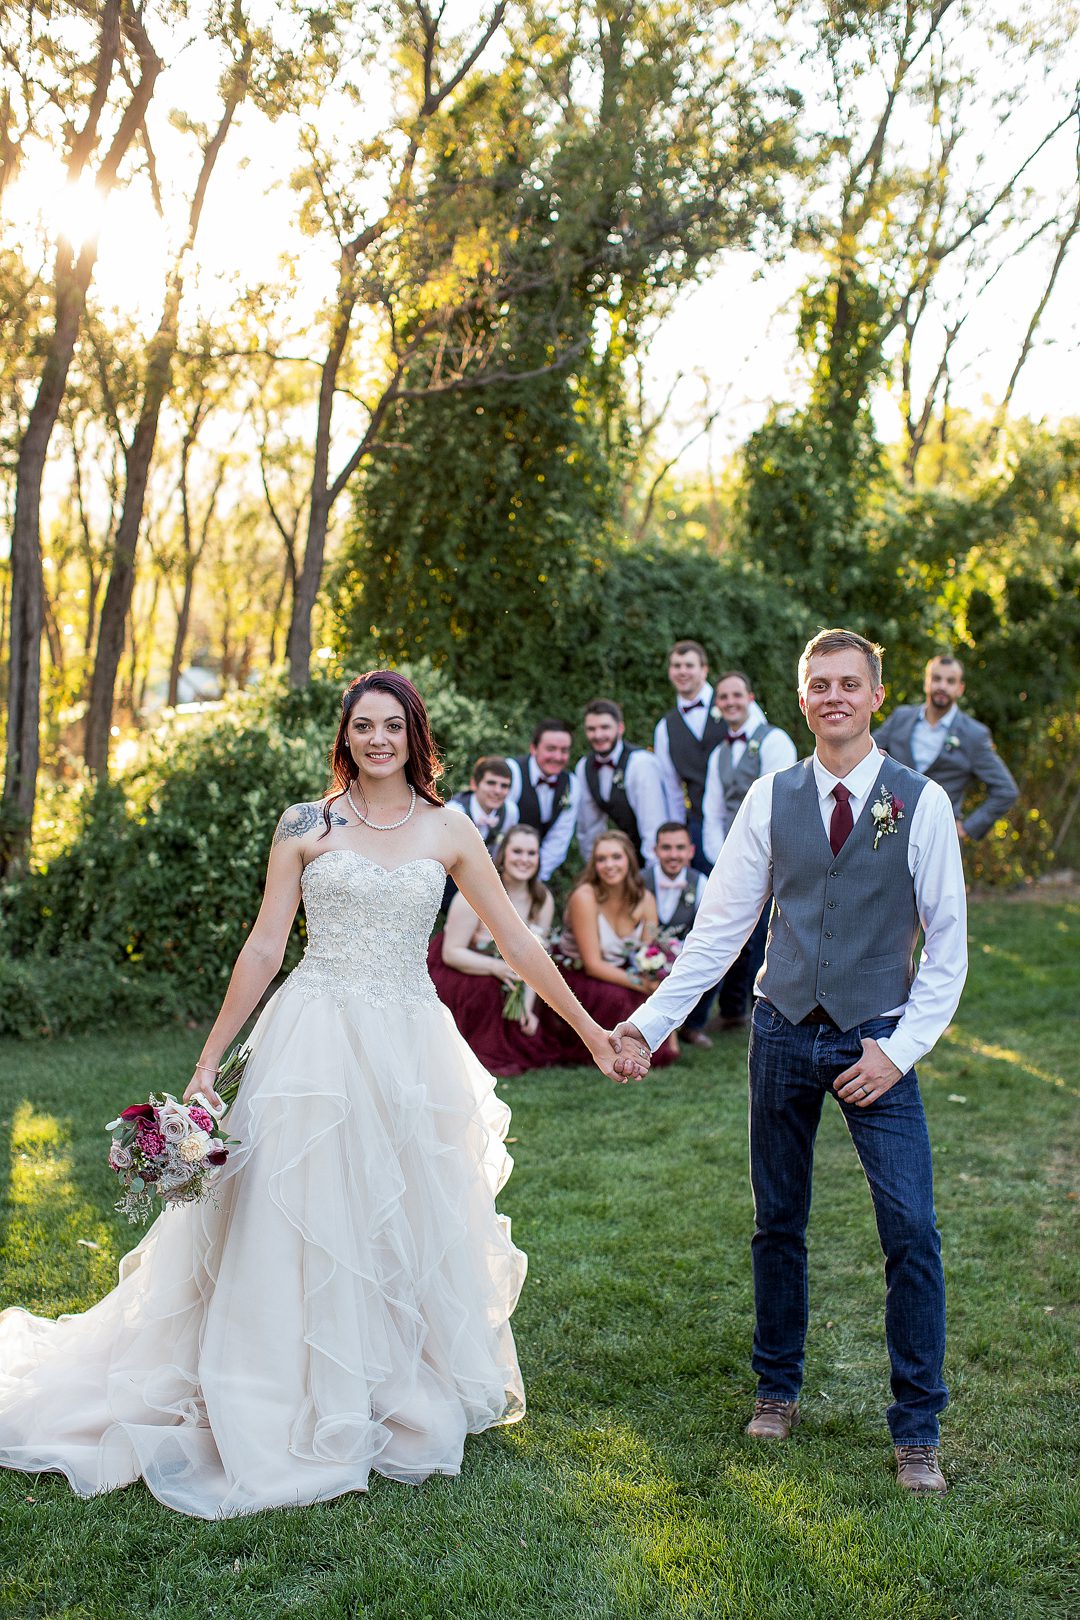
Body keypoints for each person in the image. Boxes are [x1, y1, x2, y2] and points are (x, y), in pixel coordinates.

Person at [0, 671, 645, 1519]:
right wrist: (207, 1063)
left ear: (415, 737)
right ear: (344, 735)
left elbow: (519, 943)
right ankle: (277, 1379)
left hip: (408, 1046)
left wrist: (593, 1034)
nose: (378, 740)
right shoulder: (306, 823)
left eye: (393, 726)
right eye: (363, 726)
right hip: (311, 1039)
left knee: (399, 1209)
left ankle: (382, 1380)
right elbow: (266, 947)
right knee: (295, 1205)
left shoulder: (450, 828)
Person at [613, 629, 968, 1494]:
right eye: (820, 685)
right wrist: (648, 1026)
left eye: (850, 684)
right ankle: (777, 1388)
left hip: (875, 1038)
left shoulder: (919, 802)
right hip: (779, 1031)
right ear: (802, 699)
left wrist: (897, 1053)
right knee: (777, 1221)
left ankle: (917, 1428)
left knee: (912, 1230)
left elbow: (948, 952)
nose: (834, 697)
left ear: (876, 696)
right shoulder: (771, 798)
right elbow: (719, 932)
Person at [701, 671, 798, 1029]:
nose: (730, 702)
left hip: (769, 851)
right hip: (729, 853)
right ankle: (729, 1011)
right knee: (727, 930)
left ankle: (757, 1006)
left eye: (736, 695)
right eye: (723, 697)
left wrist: (757, 859)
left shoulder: (775, 741)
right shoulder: (719, 753)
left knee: (762, 934)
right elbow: (712, 810)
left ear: (750, 698)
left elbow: (779, 804)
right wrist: (720, 860)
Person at [428, 824, 563, 1076]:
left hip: (511, 978)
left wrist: (527, 1006)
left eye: (531, 853)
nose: (524, 859)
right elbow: (451, 952)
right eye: (517, 852)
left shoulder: (542, 899)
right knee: (487, 989)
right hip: (462, 970)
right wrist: (497, 967)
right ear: (503, 855)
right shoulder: (475, 890)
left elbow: (537, 958)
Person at [545, 831, 678, 1068]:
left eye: (616, 857)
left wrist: (651, 983)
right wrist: (642, 984)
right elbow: (592, 964)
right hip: (579, 973)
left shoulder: (645, 899)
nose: (609, 865)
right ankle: (607, 1051)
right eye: (601, 859)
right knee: (617, 997)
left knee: (647, 995)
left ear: (629, 860)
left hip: (622, 970)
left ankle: (656, 1049)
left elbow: (648, 957)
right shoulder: (584, 897)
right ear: (594, 865)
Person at [874, 654, 1019, 843]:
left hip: (940, 838)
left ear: (960, 688)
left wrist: (968, 827)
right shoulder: (901, 718)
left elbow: (1006, 790)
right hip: (889, 833)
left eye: (950, 681)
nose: (942, 686)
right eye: (936, 679)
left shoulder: (973, 735)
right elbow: (865, 752)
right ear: (926, 682)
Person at [653, 640, 726, 875]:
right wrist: (678, 838)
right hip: (698, 824)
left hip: (741, 816)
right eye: (677, 666)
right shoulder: (664, 728)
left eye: (689, 665)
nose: (682, 671)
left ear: (704, 669)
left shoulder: (733, 703)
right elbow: (671, 788)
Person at [575, 699, 667, 869]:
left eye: (605, 727)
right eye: (591, 729)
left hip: (651, 859)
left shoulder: (641, 763)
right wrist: (595, 868)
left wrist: (652, 873)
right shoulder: (584, 767)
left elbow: (653, 826)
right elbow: (589, 827)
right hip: (618, 862)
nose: (598, 735)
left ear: (620, 728)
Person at [643, 822, 713, 1049]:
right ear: (655, 850)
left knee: (713, 965)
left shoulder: (700, 882)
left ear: (691, 851)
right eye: (666, 848)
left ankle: (693, 1026)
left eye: (680, 848)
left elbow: (706, 928)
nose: (673, 855)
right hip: (644, 953)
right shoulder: (640, 881)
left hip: (683, 953)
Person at [505, 720, 581, 883]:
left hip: (535, 873)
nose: (558, 757)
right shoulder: (512, 772)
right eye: (551, 749)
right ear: (534, 748)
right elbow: (500, 827)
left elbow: (559, 839)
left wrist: (532, 877)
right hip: (498, 866)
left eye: (564, 750)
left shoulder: (572, 784)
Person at [442, 754, 519, 909]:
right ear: (474, 784)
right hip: (451, 879)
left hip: (487, 878)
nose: (498, 791)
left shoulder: (510, 812)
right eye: (491, 783)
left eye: (504, 786)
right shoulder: (454, 812)